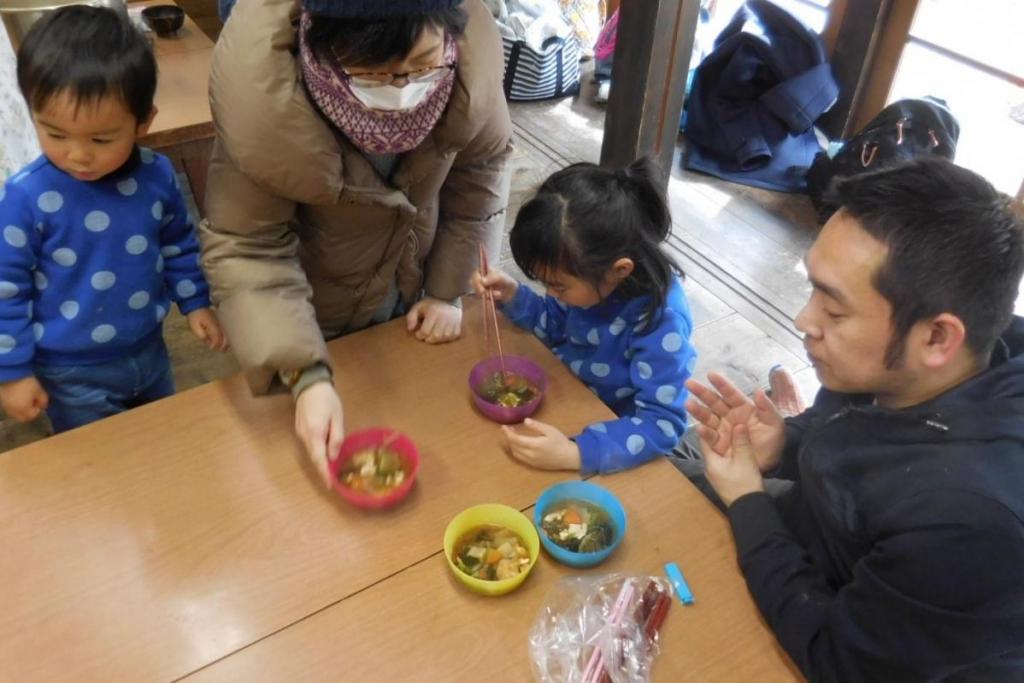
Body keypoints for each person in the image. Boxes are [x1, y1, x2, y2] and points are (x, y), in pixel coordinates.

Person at [686, 158, 1024, 681]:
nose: (803, 321)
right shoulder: (912, 365)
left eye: (834, 310)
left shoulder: (968, 525)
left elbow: (836, 658)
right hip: (820, 535)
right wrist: (786, 445)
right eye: (813, 287)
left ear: (937, 338)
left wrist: (747, 500)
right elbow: (850, 439)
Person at [200, 0, 512, 485]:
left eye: (423, 64)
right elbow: (247, 246)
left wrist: (446, 290)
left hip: (410, 300)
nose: (404, 89)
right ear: (316, 45)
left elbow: (480, 182)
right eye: (373, 73)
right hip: (309, 316)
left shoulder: (469, 75)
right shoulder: (263, 111)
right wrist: (303, 374)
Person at [0, 6, 226, 433]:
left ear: (144, 122)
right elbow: (5, 290)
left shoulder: (157, 175)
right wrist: (12, 371)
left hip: (149, 348)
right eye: (55, 134)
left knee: (163, 434)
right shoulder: (24, 198)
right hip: (70, 371)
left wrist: (194, 302)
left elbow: (178, 244)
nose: (78, 155)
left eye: (102, 139)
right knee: (101, 457)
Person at [473, 158, 696, 473]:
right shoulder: (590, 279)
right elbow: (555, 324)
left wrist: (575, 454)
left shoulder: (660, 321)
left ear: (619, 270)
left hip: (614, 437)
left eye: (558, 286)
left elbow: (663, 424)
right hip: (566, 401)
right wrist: (513, 296)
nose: (551, 294)